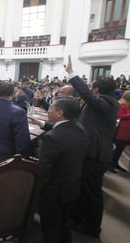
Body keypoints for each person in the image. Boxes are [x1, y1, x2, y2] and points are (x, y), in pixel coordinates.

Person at [64, 55, 119, 238]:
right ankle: (79, 218)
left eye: (92, 89)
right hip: (88, 152)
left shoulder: (108, 103)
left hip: (95, 155)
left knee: (92, 192)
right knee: (83, 188)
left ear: (96, 90)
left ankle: (93, 227)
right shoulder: (105, 102)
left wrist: (72, 73)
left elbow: (86, 95)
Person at [38, 97, 90, 243]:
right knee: (64, 224)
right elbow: (63, 132)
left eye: (51, 108)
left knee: (50, 227)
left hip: (54, 192)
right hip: (72, 187)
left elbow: (44, 169)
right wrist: (42, 124)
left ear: (60, 113)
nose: (48, 110)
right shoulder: (81, 130)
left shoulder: (52, 138)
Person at [112, 90, 130, 171]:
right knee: (118, 148)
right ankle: (111, 164)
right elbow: (119, 115)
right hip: (122, 131)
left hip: (127, 131)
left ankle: (115, 163)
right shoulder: (122, 105)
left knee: (120, 148)